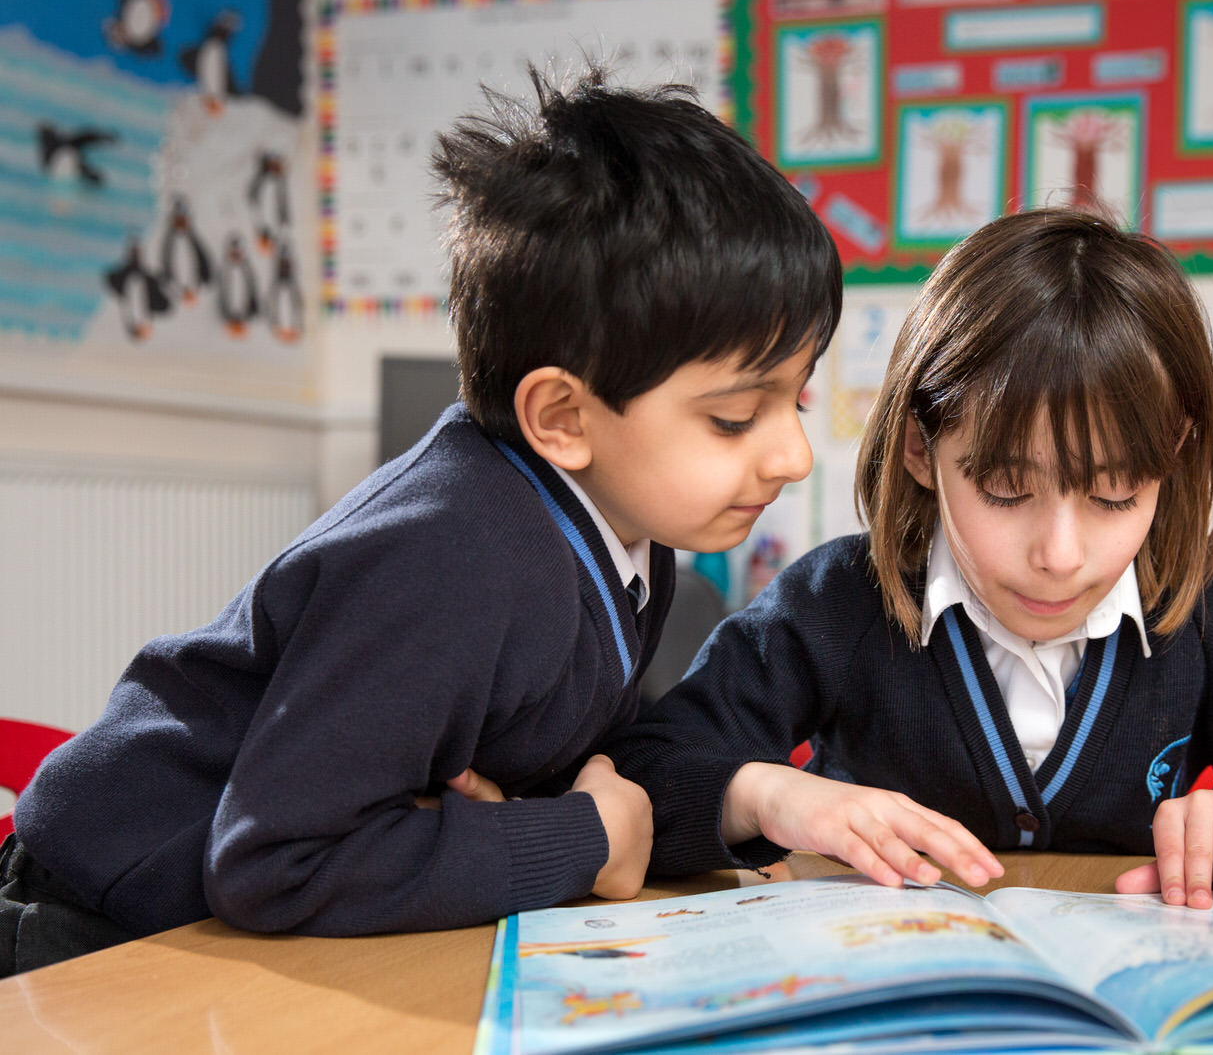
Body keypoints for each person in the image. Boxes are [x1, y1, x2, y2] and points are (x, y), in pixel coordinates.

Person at [0, 65, 844, 976]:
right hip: (97, 923)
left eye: (794, 402)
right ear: (561, 417)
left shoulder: (623, 531)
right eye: (733, 418)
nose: (792, 456)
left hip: (253, 928)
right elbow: (275, 861)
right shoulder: (455, 555)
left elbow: (594, 771)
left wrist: (696, 804)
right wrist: (576, 837)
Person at [607, 206, 1213, 909]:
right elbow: (646, 774)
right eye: (1007, 491)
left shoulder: (1204, 610)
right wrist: (770, 796)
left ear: (1169, 456)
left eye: (1114, 495)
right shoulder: (835, 602)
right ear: (920, 449)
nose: (1061, 555)